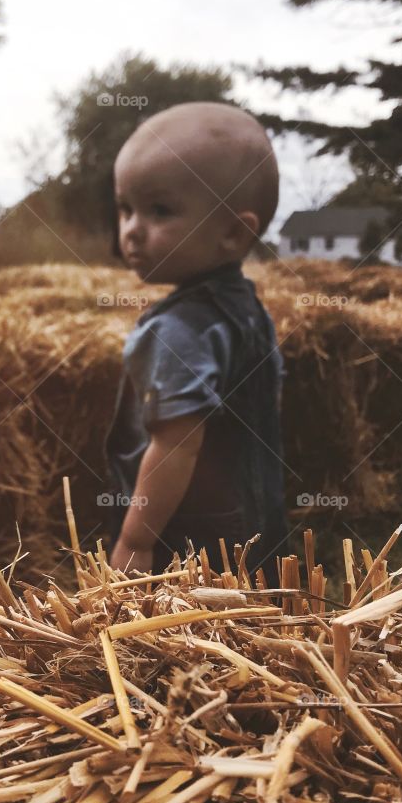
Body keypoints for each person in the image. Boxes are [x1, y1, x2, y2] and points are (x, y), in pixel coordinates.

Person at [101, 102, 290, 588]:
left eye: (159, 210)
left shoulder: (179, 329)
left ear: (233, 233)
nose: (132, 230)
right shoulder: (247, 307)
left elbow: (176, 444)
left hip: (188, 544)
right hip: (255, 522)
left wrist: (136, 541)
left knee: (179, 652)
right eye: (126, 208)